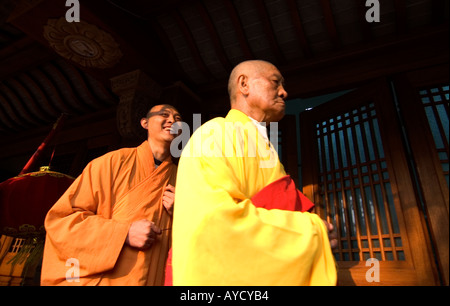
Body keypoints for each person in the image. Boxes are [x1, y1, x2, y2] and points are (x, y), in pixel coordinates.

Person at [171, 60, 338, 286]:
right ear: (244, 84)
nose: (284, 92)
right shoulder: (214, 134)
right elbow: (215, 222)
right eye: (275, 82)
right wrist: (312, 231)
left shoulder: (262, 145)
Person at [41, 104, 182, 285]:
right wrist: (123, 233)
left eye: (178, 119)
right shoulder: (111, 163)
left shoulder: (184, 177)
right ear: (145, 123)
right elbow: (62, 221)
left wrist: (182, 214)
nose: (172, 120)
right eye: (164, 114)